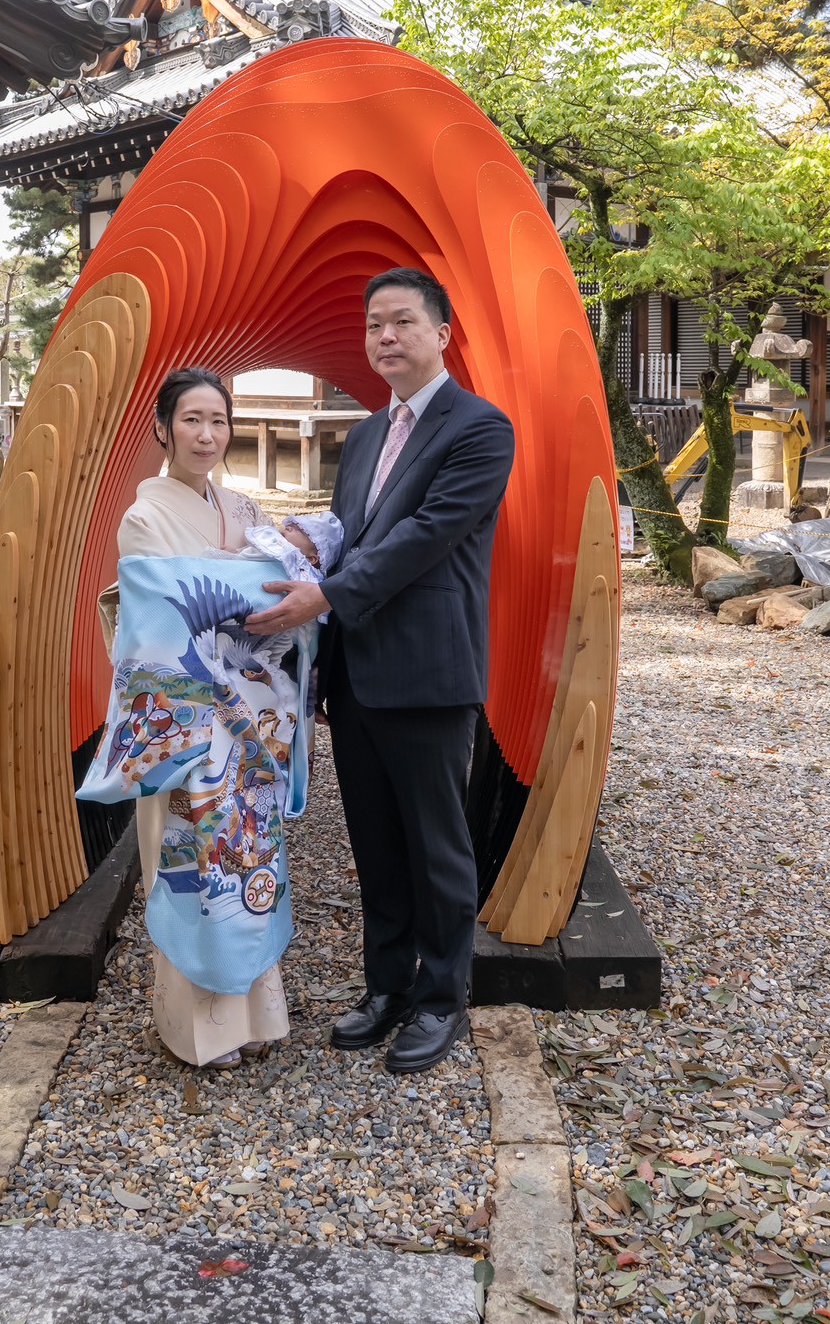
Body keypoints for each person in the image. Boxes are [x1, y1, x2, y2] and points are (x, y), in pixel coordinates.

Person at [246, 268, 514, 1074]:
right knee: (375, 840)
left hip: (429, 668)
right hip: (358, 667)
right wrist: (298, 543)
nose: (385, 336)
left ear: (443, 333)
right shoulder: (363, 433)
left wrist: (320, 596)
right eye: (373, 325)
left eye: (402, 321)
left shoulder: (479, 427)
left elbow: (424, 535)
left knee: (437, 845)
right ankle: (386, 986)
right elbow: (354, 530)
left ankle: (442, 1000)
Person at [88, 367, 307, 1070]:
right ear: (162, 426)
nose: (206, 434)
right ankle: (196, 1030)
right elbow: (158, 620)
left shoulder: (243, 509)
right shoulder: (144, 516)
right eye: (190, 419)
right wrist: (243, 590)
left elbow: (278, 599)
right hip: (188, 720)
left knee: (246, 858)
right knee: (191, 861)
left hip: (252, 720)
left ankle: (257, 1015)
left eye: (217, 419)